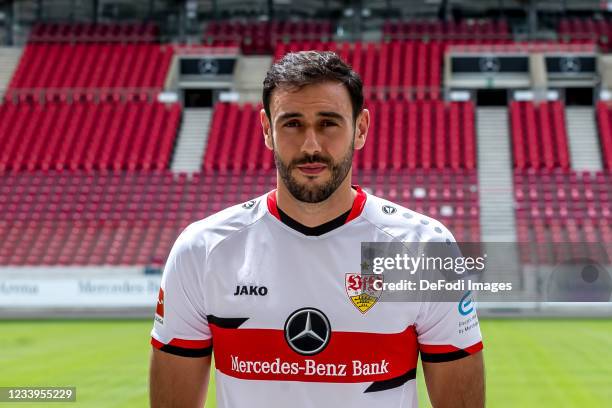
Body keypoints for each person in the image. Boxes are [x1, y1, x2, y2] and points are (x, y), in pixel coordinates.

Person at [149, 50, 484, 407]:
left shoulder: (423, 248)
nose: (311, 146)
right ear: (267, 130)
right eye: (292, 123)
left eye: (328, 123)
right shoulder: (202, 250)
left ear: (360, 129)